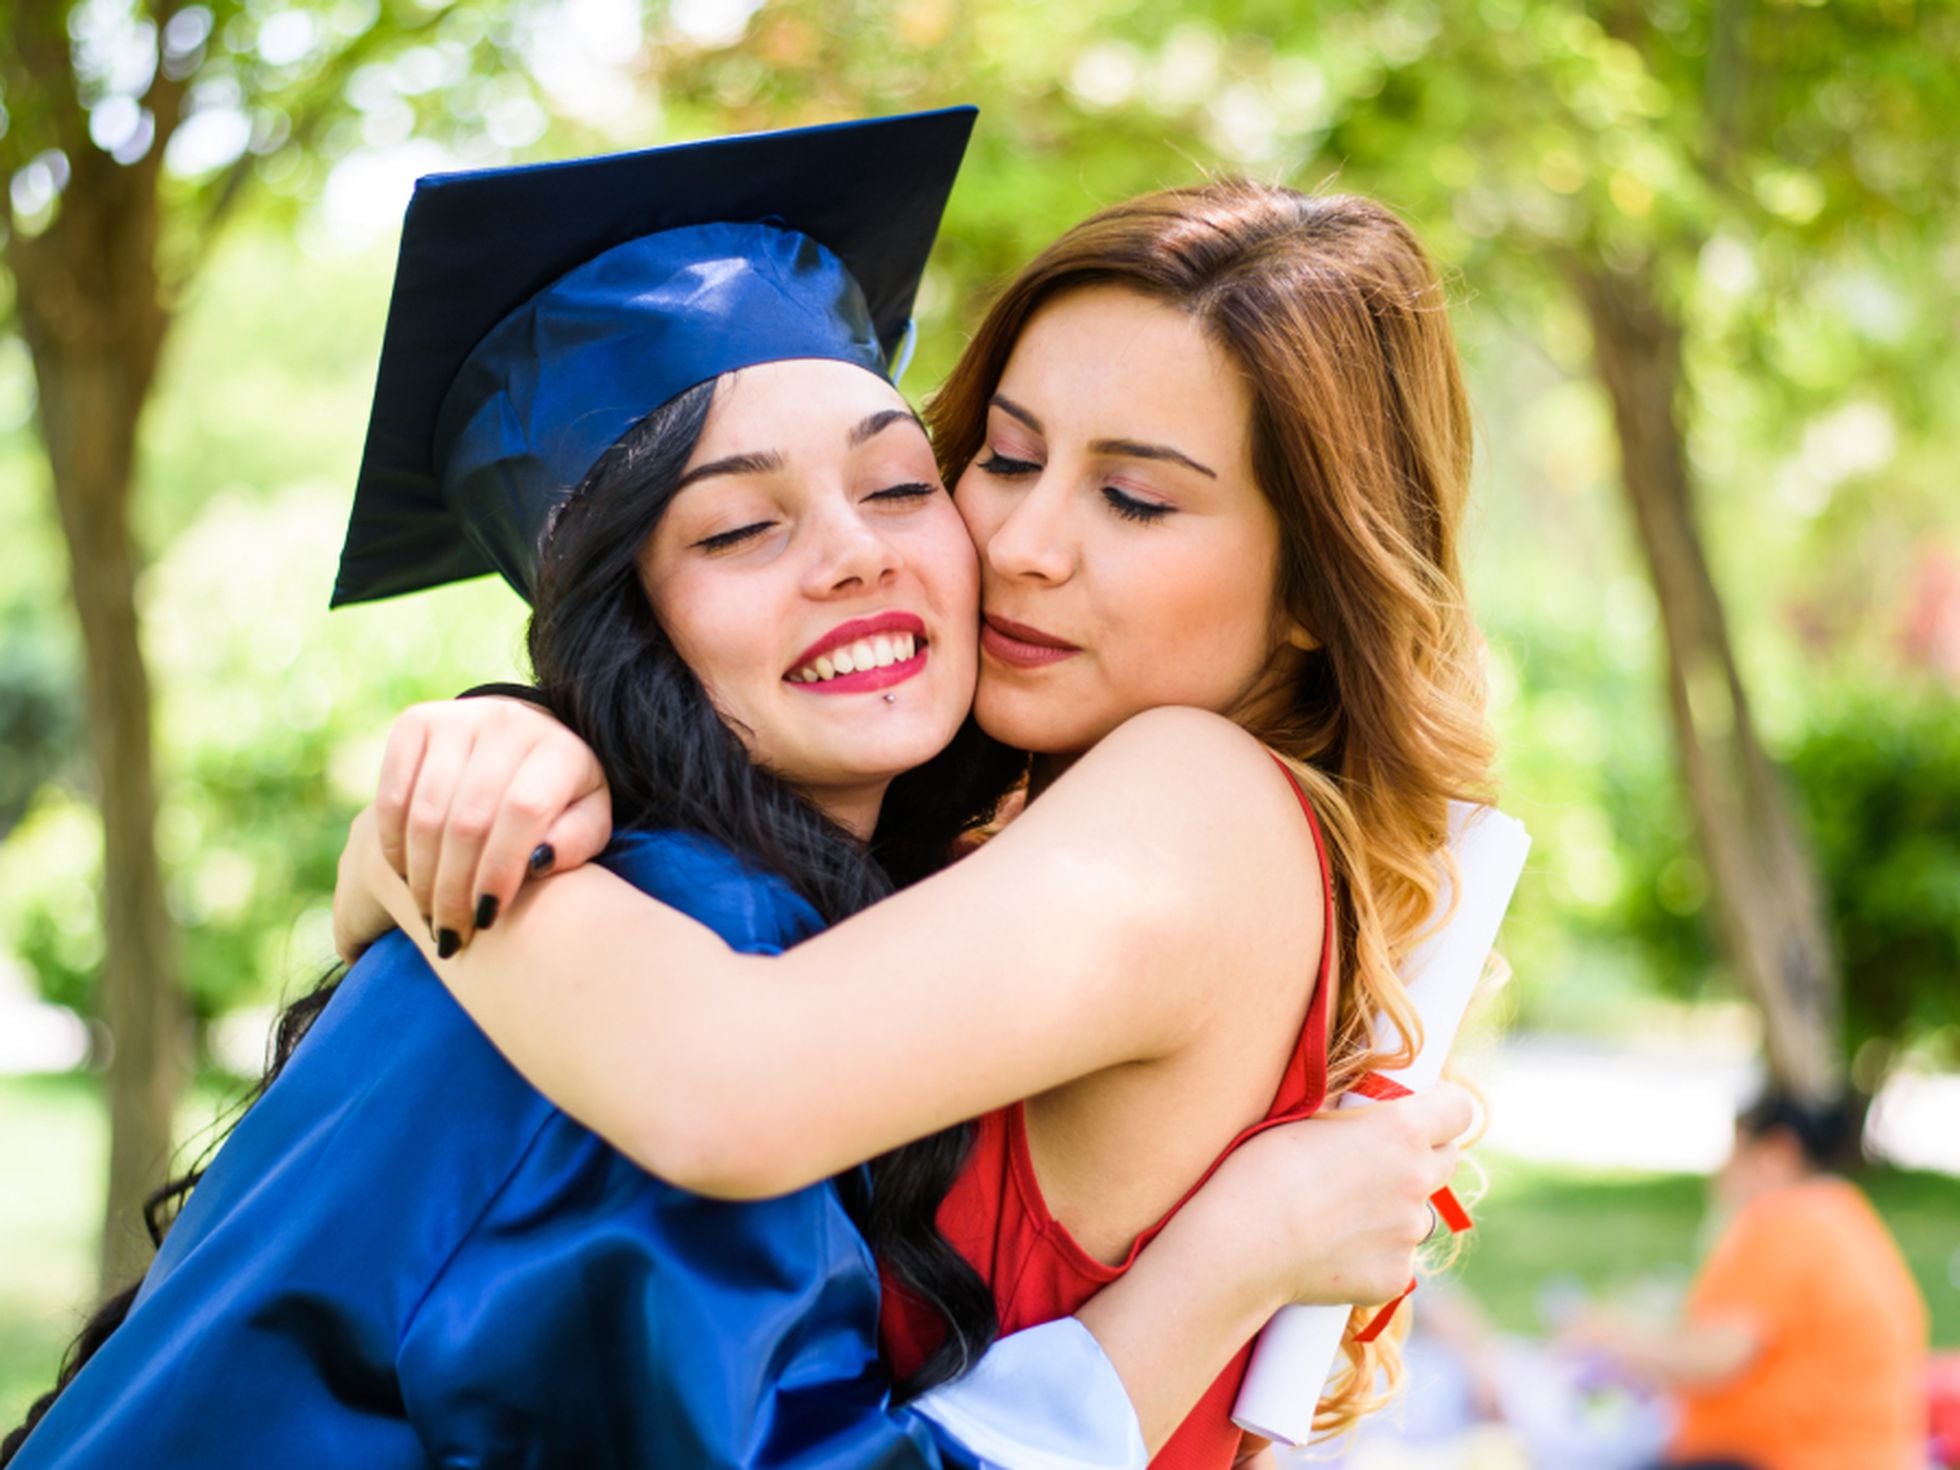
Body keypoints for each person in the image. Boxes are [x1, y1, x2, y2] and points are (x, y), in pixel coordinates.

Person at [4, 112, 1468, 1470]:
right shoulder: (846, 889)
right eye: (999, 459)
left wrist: (418, 849)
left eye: (1136, 498)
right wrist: (429, 809)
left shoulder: (1189, 796)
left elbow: (733, 1084)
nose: (1019, 539)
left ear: (1313, 588)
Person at [1569, 1090, 1929, 1470]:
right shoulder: (1840, 1211)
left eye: (1734, 1153)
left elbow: (1716, 1358)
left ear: (1777, 1153)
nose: (1720, 1173)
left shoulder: (1783, 1220)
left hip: (1794, 1458)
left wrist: (1616, 1340)